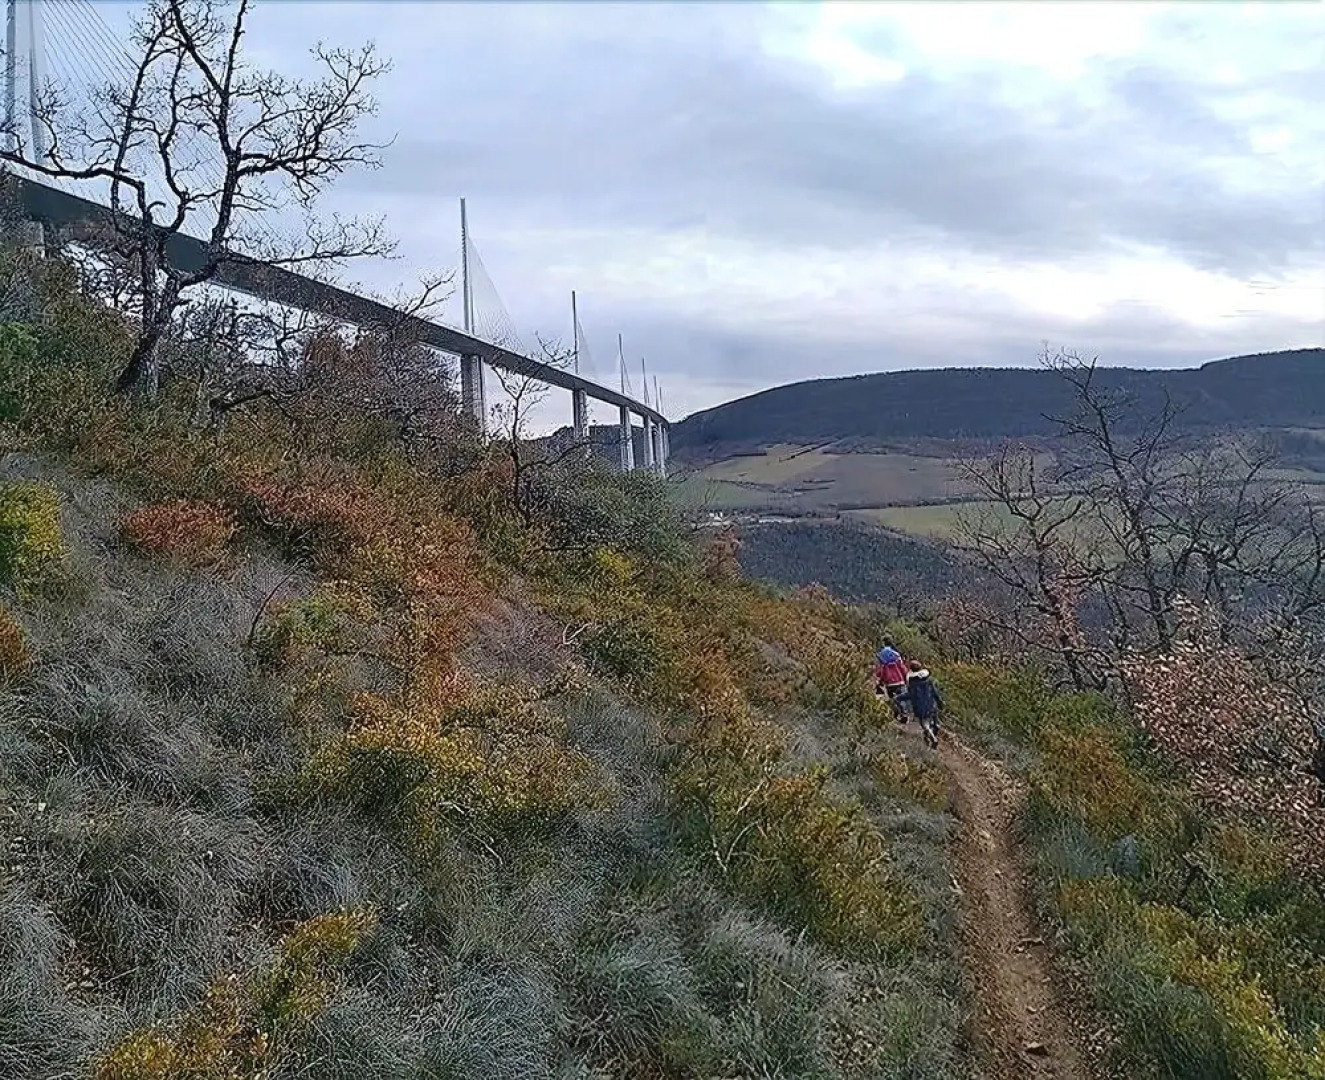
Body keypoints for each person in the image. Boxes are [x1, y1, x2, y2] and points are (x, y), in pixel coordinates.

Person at [900, 659, 945, 750]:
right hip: (931, 704)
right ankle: (936, 726)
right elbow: (934, 692)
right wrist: (940, 701)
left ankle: (933, 738)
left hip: (920, 707)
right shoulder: (928, 680)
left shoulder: (912, 683)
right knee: (934, 716)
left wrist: (899, 698)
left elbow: (910, 695)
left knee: (925, 724)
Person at [874, 639, 910, 724]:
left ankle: (896, 711)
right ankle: (904, 714)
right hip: (900, 682)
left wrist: (881, 682)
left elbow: (881, 674)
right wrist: (906, 679)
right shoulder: (897, 662)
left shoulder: (884, 664)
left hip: (889, 684)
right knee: (902, 699)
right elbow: (904, 670)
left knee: (893, 699)